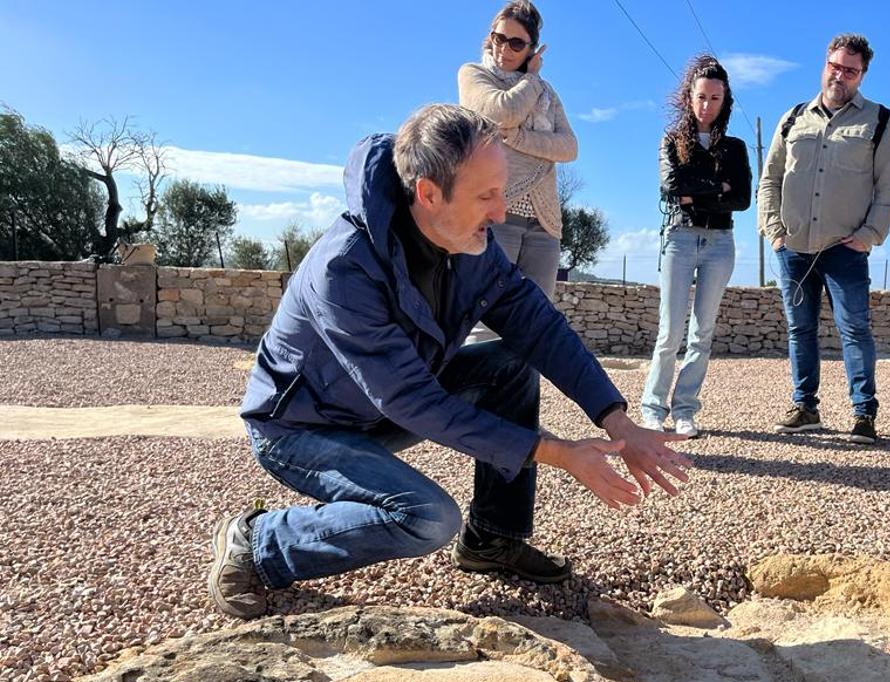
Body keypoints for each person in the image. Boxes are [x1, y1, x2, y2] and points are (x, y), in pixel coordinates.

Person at [207, 104, 690, 619]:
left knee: (510, 364)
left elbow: (540, 328)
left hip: (376, 412)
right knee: (427, 517)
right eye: (487, 195)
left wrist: (618, 420)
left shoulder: (471, 244)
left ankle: (492, 540)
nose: (501, 213)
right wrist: (560, 453)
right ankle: (258, 543)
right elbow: (414, 400)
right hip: (300, 429)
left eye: (501, 191)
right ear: (429, 194)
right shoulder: (344, 268)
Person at [758, 33, 890, 445]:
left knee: (854, 328)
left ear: (862, 75)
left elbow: (888, 189)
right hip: (794, 247)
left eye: (850, 71)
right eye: (835, 67)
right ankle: (805, 406)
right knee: (799, 329)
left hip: (845, 248)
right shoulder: (792, 117)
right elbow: (770, 179)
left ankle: (863, 413)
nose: (841, 76)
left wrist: (869, 236)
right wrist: (774, 231)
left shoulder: (879, 121)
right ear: (825, 64)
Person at [641, 55, 751, 438]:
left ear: (725, 101)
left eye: (715, 98)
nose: (707, 105)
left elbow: (741, 199)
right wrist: (715, 187)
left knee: (701, 333)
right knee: (670, 332)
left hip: (720, 242)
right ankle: (653, 408)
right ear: (689, 97)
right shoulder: (672, 141)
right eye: (701, 96)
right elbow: (672, 187)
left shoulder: (735, 148)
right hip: (680, 239)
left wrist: (698, 191)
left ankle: (685, 409)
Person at [458, 0, 575, 343]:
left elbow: (569, 147)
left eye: (516, 43)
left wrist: (518, 138)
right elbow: (501, 112)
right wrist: (532, 79)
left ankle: (523, 398)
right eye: (499, 38)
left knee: (536, 326)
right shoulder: (473, 75)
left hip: (544, 221)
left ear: (531, 48)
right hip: (494, 214)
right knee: (483, 323)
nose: (504, 49)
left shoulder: (546, 94)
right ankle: (475, 398)